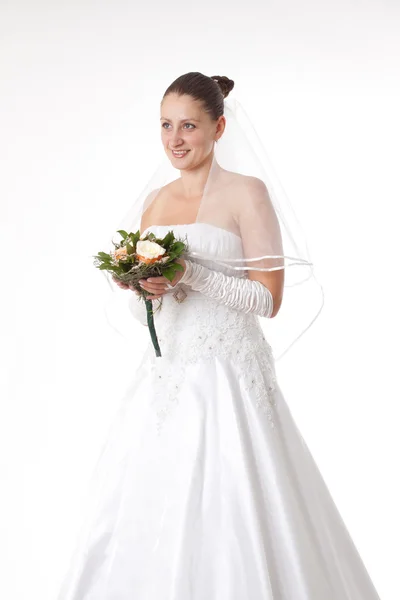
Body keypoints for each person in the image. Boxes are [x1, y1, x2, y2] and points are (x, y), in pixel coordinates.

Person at [57, 73, 381, 599]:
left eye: (189, 125)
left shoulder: (246, 194)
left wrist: (194, 275)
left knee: (240, 508)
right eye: (166, 125)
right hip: (166, 381)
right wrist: (144, 289)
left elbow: (269, 300)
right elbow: (155, 316)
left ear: (219, 127)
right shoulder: (154, 204)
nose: (175, 139)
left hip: (230, 379)